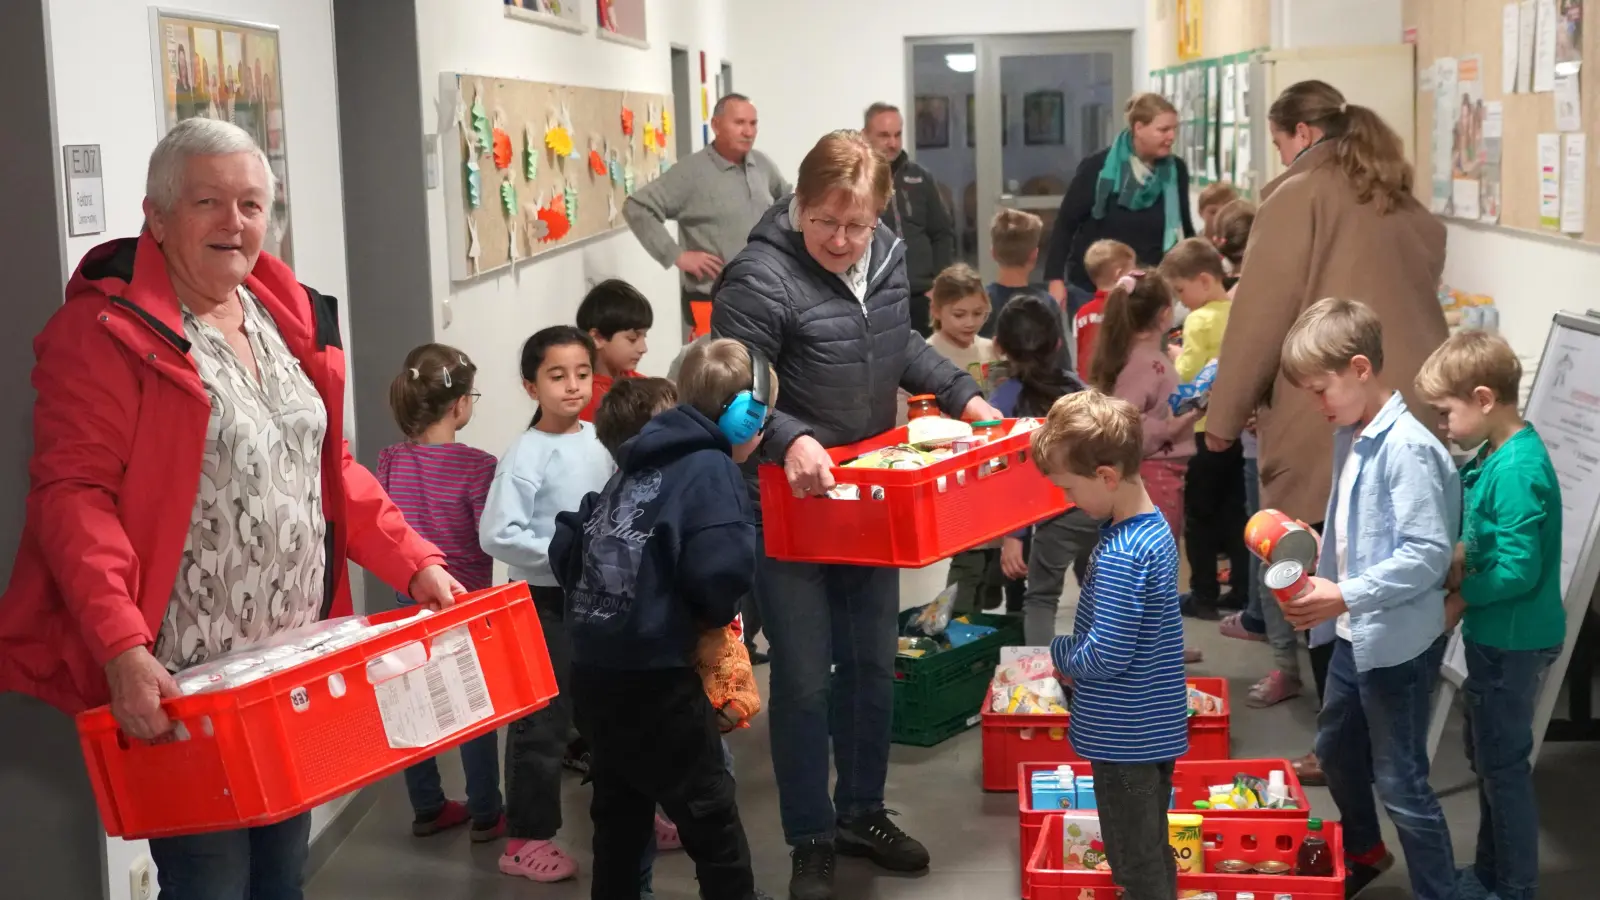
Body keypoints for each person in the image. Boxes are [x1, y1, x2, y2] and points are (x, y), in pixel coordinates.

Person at [0, 117, 458, 900]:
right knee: (210, 884)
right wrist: (122, 646)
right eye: (207, 201)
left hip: (290, 671)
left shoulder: (283, 315)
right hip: (186, 687)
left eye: (251, 204)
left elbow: (328, 468)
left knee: (280, 878)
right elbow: (73, 501)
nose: (234, 222)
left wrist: (414, 562)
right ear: (156, 216)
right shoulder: (101, 334)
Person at [712, 129, 1001, 900]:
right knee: (806, 680)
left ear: (879, 215)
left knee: (873, 665)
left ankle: (862, 812)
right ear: (799, 204)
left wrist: (965, 394)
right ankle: (810, 836)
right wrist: (789, 437)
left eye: (858, 225)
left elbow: (895, 345)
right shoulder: (758, 278)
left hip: (867, 497)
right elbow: (734, 392)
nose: (842, 241)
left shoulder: (889, 253)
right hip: (787, 506)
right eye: (826, 223)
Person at [1204, 80, 1449, 786]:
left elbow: (1259, 316)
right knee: (1393, 583)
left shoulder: (1298, 197)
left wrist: (1222, 420)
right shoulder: (1399, 199)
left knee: (1320, 588)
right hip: (1414, 407)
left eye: (1280, 142)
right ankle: (1386, 745)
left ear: (1303, 134)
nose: (1280, 157)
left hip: (1327, 411)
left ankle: (1344, 749)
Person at [552, 338, 772, 900]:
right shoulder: (711, 469)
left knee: (619, 820)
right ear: (743, 415)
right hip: (657, 678)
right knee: (712, 819)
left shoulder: (633, 464)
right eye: (762, 417)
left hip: (595, 673)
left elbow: (571, 545)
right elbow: (720, 570)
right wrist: (713, 623)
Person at [1278, 298, 1460, 900]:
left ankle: (1439, 890)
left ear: (1360, 369)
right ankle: (1364, 850)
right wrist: (1317, 549)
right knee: (1334, 751)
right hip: (1354, 635)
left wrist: (1345, 593)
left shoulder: (1408, 448)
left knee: (1401, 781)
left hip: (1398, 645)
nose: (1318, 404)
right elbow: (1361, 530)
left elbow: (1427, 555)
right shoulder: (1352, 434)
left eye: (1320, 389)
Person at [1416, 331, 1564, 900]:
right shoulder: (1494, 457)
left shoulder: (1518, 470)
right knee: (1490, 762)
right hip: (1496, 637)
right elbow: (1486, 534)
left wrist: (1461, 598)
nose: (1442, 426)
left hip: (1513, 641)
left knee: (1503, 771)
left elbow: (1519, 571)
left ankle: (1513, 888)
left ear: (1483, 399)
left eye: (1445, 412)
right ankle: (1488, 875)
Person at [1032, 392, 1189, 900]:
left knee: (1134, 861)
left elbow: (1106, 655)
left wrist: (1060, 653)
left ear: (1105, 476)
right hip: (1152, 727)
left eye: (1069, 488)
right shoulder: (1153, 528)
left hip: (1124, 738)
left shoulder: (1123, 553)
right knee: (1151, 847)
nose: (1067, 500)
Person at [479, 326, 618, 883]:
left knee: (609, 710)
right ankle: (525, 839)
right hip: (542, 601)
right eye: (557, 376)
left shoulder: (600, 439)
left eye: (582, 374)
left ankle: (629, 815)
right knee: (542, 722)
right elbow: (498, 533)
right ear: (530, 387)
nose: (572, 386)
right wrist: (567, 553)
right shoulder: (526, 453)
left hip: (597, 595)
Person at [378, 345, 505, 842]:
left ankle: (428, 807)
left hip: (407, 599)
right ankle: (487, 812)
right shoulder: (478, 466)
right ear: (459, 405)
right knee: (474, 707)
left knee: (414, 704)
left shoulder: (391, 459)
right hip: (463, 600)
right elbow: (487, 536)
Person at [624, 93, 790, 341]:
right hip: (713, 302)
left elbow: (788, 202)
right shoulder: (691, 172)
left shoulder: (762, 164)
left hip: (766, 297)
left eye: (753, 123)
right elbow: (637, 207)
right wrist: (676, 255)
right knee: (717, 365)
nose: (748, 131)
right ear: (716, 125)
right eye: (739, 123)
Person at [991, 296, 1100, 645]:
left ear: (999, 346)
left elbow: (1011, 478)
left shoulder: (1001, 404)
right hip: (1096, 505)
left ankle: (1040, 674)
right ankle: (1098, 663)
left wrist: (1014, 536)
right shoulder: (1079, 390)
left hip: (1052, 515)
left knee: (1040, 598)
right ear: (1056, 344)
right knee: (1097, 593)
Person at [1043, 93, 1195, 317]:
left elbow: (1185, 226)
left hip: (1148, 289)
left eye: (1174, 129)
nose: (1171, 137)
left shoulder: (1175, 171)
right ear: (1138, 128)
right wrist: (1055, 279)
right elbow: (1066, 224)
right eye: (1163, 130)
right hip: (1094, 287)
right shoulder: (1098, 168)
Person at [1160, 238, 1248, 619]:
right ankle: (1242, 589)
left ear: (1204, 280)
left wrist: (1175, 356)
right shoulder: (1241, 312)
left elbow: (1188, 373)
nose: (1181, 302)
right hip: (1237, 428)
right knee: (1235, 514)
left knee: (1198, 517)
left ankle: (1204, 593)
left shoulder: (1199, 320)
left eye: (1181, 291)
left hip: (1201, 429)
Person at [1090, 273, 1200, 541]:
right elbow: (1126, 424)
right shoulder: (1145, 363)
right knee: (1156, 555)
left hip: (1157, 475)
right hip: (1153, 476)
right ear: (1164, 315)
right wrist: (1173, 426)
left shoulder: (1140, 359)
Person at [927, 264, 1003, 613]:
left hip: (996, 469)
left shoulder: (992, 349)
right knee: (969, 558)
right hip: (956, 472)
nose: (970, 322)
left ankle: (982, 625)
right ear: (936, 310)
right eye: (959, 314)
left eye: (979, 313)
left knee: (993, 562)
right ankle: (954, 625)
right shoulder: (928, 355)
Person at [864, 102, 956, 336]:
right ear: (865, 135)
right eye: (884, 135)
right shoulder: (854, 180)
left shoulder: (920, 177)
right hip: (876, 298)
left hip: (922, 296)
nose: (892, 143)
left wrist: (940, 286)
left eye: (897, 135)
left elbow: (942, 234)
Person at [578, 278, 653, 422]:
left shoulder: (645, 388)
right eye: (632, 338)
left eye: (644, 336)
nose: (643, 348)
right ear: (597, 338)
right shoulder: (579, 399)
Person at [1073, 239, 1138, 383]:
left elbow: (1079, 353)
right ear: (1119, 274)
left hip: (1087, 386)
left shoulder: (1081, 313)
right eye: (1133, 272)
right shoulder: (1130, 308)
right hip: (1120, 384)